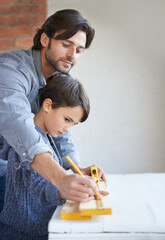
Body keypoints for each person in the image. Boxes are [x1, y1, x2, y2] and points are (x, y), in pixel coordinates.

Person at [0, 9, 106, 212]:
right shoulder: (11, 71)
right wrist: (61, 179)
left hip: (9, 168)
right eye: (66, 44)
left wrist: (75, 169)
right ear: (45, 39)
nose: (72, 55)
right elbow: (21, 127)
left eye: (79, 50)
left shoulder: (60, 78)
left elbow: (60, 131)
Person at [0, 74, 105, 240]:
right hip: (21, 233)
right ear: (47, 105)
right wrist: (66, 191)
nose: (68, 128)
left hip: (34, 229)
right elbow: (38, 186)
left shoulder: (46, 137)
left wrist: (78, 176)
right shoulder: (28, 142)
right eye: (67, 119)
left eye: (73, 124)